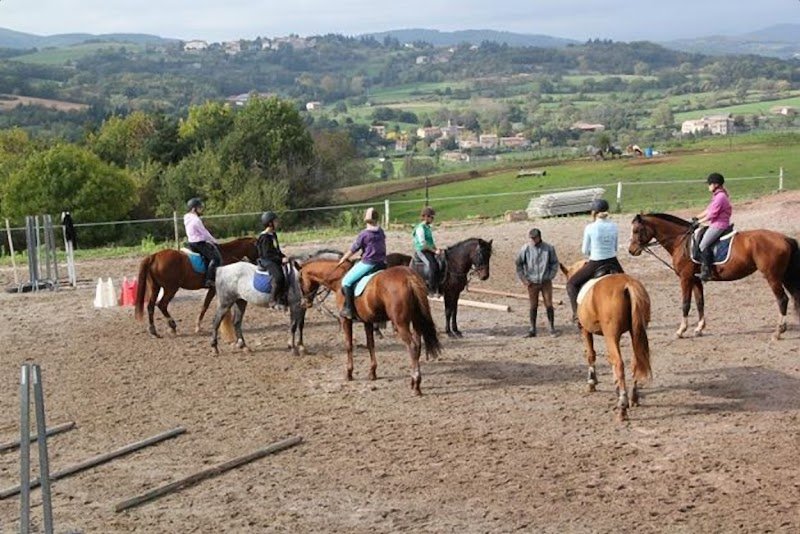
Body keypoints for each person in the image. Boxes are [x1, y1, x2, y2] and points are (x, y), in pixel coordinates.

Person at [566, 198, 624, 324]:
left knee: (571, 284)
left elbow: (584, 250)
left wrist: (593, 252)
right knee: (627, 283)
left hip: (596, 262)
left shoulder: (590, 227)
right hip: (613, 261)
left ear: (594, 213)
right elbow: (615, 247)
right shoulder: (614, 226)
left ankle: (577, 316)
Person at [337, 207, 387, 320]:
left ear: (366, 218)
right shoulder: (381, 231)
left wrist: (343, 259)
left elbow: (353, 249)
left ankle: (349, 309)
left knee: (346, 281)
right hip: (382, 263)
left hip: (369, 263)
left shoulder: (364, 234)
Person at [515, 228, 559, 337]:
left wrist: (550, 276)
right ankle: (532, 328)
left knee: (549, 304)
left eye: (534, 238)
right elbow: (518, 264)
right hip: (532, 282)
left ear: (539, 237)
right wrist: (524, 280)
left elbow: (554, 263)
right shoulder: (525, 249)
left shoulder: (549, 248)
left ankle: (552, 327)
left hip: (545, 282)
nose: (533, 240)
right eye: (531, 238)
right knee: (533, 306)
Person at [693, 172, 732, 281]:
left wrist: (699, 222)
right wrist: (696, 217)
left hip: (719, 225)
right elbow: (708, 210)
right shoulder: (717, 196)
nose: (708, 186)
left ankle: (707, 272)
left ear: (715, 184)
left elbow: (712, 214)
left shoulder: (720, 197)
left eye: (709, 184)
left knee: (703, 245)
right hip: (716, 224)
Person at [184, 198, 221, 288]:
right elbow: (204, 233)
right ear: (194, 209)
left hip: (190, 242)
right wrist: (214, 240)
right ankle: (209, 280)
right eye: (199, 208)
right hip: (199, 243)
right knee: (215, 258)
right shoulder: (196, 220)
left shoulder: (186, 217)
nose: (201, 210)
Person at [256, 210, 289, 307]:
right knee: (279, 277)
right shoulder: (264, 237)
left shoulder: (273, 235)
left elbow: (276, 250)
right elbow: (267, 254)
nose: (277, 223)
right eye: (275, 221)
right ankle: (273, 299)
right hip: (267, 260)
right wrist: (280, 260)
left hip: (272, 258)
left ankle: (283, 296)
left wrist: (283, 256)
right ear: (270, 223)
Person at [413, 206, 444, 294]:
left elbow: (430, 242)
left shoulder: (427, 228)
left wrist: (437, 248)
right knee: (432, 265)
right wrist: (434, 251)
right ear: (426, 216)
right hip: (422, 251)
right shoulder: (420, 228)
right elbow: (423, 244)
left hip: (429, 250)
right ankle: (430, 289)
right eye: (431, 217)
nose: (433, 219)